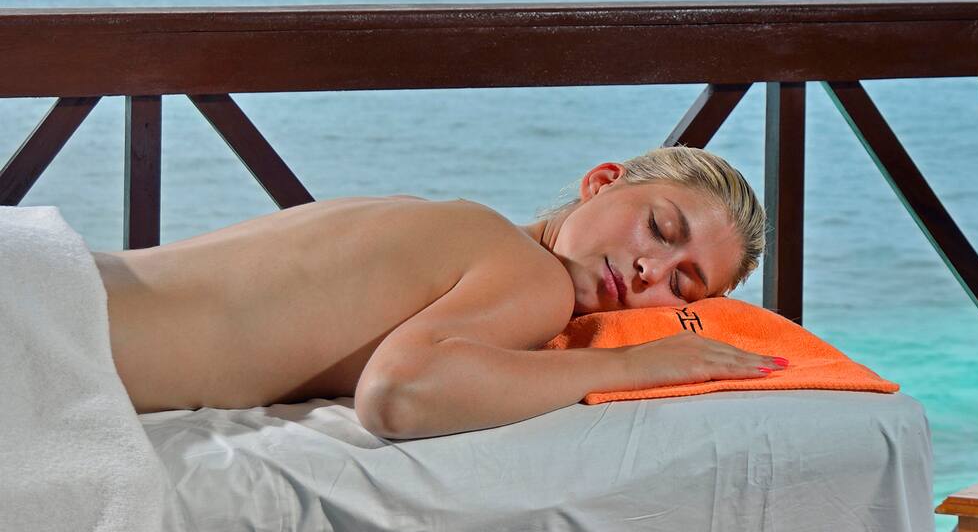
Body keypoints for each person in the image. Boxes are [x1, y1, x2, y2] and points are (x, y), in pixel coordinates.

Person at [94, 146, 781, 440]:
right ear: (602, 183)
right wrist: (631, 365)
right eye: (659, 228)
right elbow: (400, 396)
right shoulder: (533, 277)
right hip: (62, 332)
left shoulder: (452, 222)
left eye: (682, 284)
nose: (649, 271)